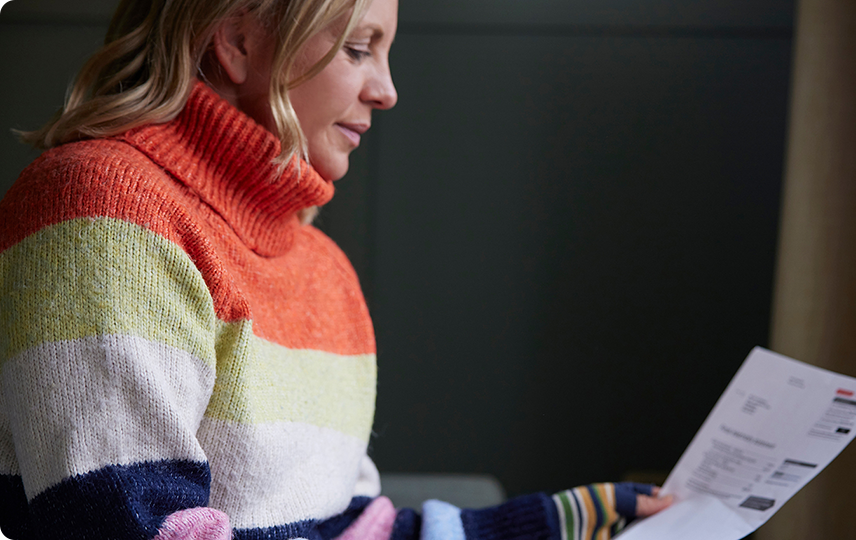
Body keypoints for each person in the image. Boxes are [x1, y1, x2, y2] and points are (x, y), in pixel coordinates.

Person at [0, 0, 673, 538]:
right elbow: (127, 526)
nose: (387, 91)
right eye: (359, 48)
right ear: (235, 41)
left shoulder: (323, 268)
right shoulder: (101, 210)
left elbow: (350, 530)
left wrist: (560, 523)